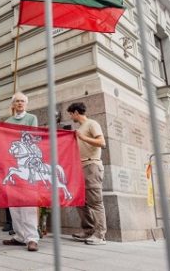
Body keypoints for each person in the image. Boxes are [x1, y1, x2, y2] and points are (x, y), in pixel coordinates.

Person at [1, 92, 40, 252]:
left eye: (22, 101)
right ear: (13, 104)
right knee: (14, 202)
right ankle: (19, 235)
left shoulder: (31, 118)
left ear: (26, 104)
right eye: (17, 101)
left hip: (28, 162)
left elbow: (34, 136)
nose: (20, 103)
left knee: (28, 201)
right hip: (11, 161)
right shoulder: (7, 122)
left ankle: (32, 238)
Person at [67, 102, 107, 245]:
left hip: (92, 166)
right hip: (80, 168)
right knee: (80, 201)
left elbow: (102, 142)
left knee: (95, 202)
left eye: (71, 114)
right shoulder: (80, 128)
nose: (71, 117)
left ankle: (100, 235)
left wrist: (82, 138)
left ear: (76, 112)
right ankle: (88, 230)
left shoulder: (92, 124)